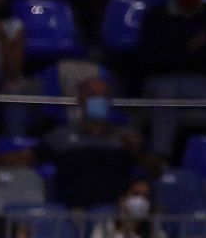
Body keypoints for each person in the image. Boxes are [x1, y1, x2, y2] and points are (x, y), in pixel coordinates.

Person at [31, 78, 149, 210]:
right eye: (92, 95)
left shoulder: (127, 137)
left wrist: (135, 150)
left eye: (103, 95)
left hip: (116, 213)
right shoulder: (60, 136)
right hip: (73, 212)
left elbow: (153, 171)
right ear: (80, 100)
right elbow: (29, 159)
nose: (99, 100)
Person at [137, 0, 206, 159]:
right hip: (163, 80)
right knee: (165, 94)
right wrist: (189, 48)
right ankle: (160, 157)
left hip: (204, 83)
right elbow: (150, 61)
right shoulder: (157, 16)